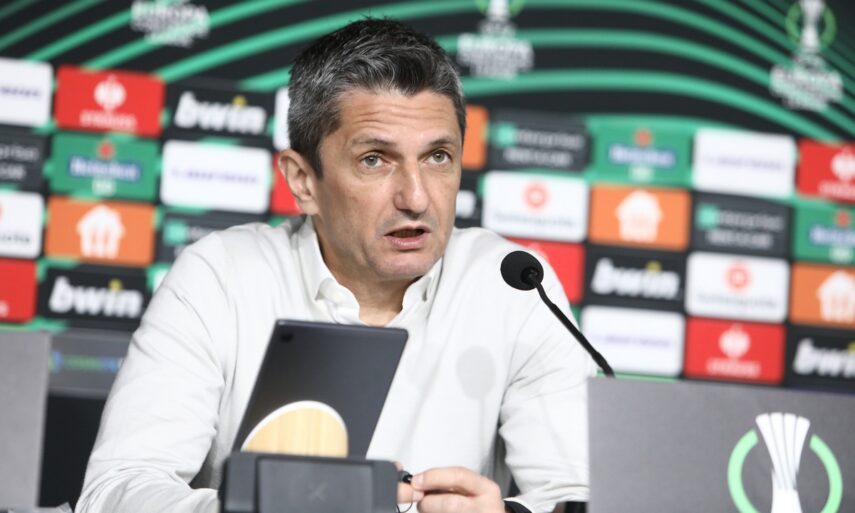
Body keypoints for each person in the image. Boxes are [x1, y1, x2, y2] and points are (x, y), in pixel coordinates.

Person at [76, 18, 596, 513]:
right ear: (303, 181)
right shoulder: (221, 276)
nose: (416, 198)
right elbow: (116, 491)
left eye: (437, 156)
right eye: (375, 160)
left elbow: (582, 493)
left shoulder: (514, 285)